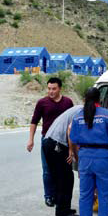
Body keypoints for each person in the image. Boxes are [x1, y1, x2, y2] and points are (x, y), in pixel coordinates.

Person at [70, 87, 108, 216]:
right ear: (100, 99)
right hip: (104, 158)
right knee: (104, 195)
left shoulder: (78, 116)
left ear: (84, 99)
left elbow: (73, 138)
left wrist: (79, 158)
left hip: (85, 158)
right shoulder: (107, 115)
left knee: (85, 194)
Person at [27, 77, 74, 207]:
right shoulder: (42, 102)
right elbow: (34, 121)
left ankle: (60, 196)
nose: (51, 91)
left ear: (60, 89)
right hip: (47, 141)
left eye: (54, 89)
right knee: (47, 170)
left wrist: (72, 147)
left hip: (64, 142)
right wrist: (31, 140)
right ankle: (49, 196)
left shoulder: (68, 103)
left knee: (63, 170)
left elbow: (72, 123)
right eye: (49, 89)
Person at [42, 105, 83, 216]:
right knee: (65, 178)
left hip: (49, 142)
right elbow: (71, 130)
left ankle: (62, 206)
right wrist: (72, 151)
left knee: (62, 177)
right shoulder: (81, 111)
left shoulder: (78, 109)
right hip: (56, 145)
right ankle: (62, 210)